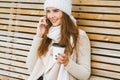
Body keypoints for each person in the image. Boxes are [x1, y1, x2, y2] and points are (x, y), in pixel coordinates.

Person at [26, 0, 91, 80]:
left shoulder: (79, 36)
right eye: (48, 11)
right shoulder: (48, 33)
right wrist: (39, 35)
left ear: (65, 13)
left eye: (56, 11)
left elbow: (85, 75)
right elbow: (31, 67)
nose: (51, 16)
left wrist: (67, 63)